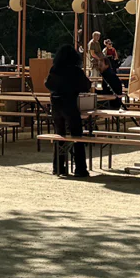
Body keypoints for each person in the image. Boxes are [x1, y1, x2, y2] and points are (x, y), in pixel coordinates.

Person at [45, 43, 92, 178]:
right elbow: (86, 86)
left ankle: (58, 167)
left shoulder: (54, 69)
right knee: (77, 135)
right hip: (70, 104)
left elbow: (48, 84)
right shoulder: (75, 71)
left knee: (60, 136)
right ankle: (80, 168)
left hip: (56, 105)